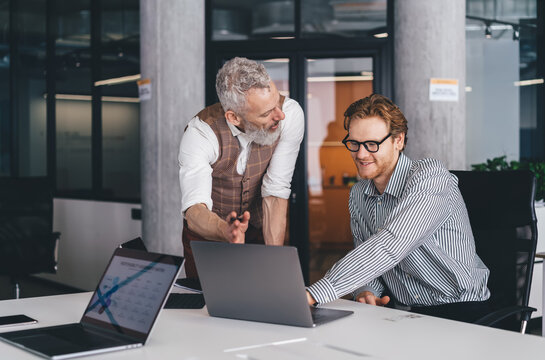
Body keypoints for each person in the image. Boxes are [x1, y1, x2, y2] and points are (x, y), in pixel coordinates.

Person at [306, 94, 491, 322]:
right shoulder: (359, 194)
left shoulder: (430, 177)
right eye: (354, 143)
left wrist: (314, 293)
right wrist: (367, 290)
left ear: (398, 141)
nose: (360, 154)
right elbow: (366, 251)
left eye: (372, 144)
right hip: (404, 312)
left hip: (458, 310)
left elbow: (392, 242)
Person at [178, 57, 304, 278]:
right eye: (266, 113)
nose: (279, 115)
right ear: (234, 117)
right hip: (207, 235)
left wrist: (274, 262)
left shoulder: (291, 115)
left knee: (263, 299)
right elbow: (194, 210)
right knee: (205, 306)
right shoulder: (201, 133)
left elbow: (276, 190)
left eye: (277, 103)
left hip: (258, 229)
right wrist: (226, 231)